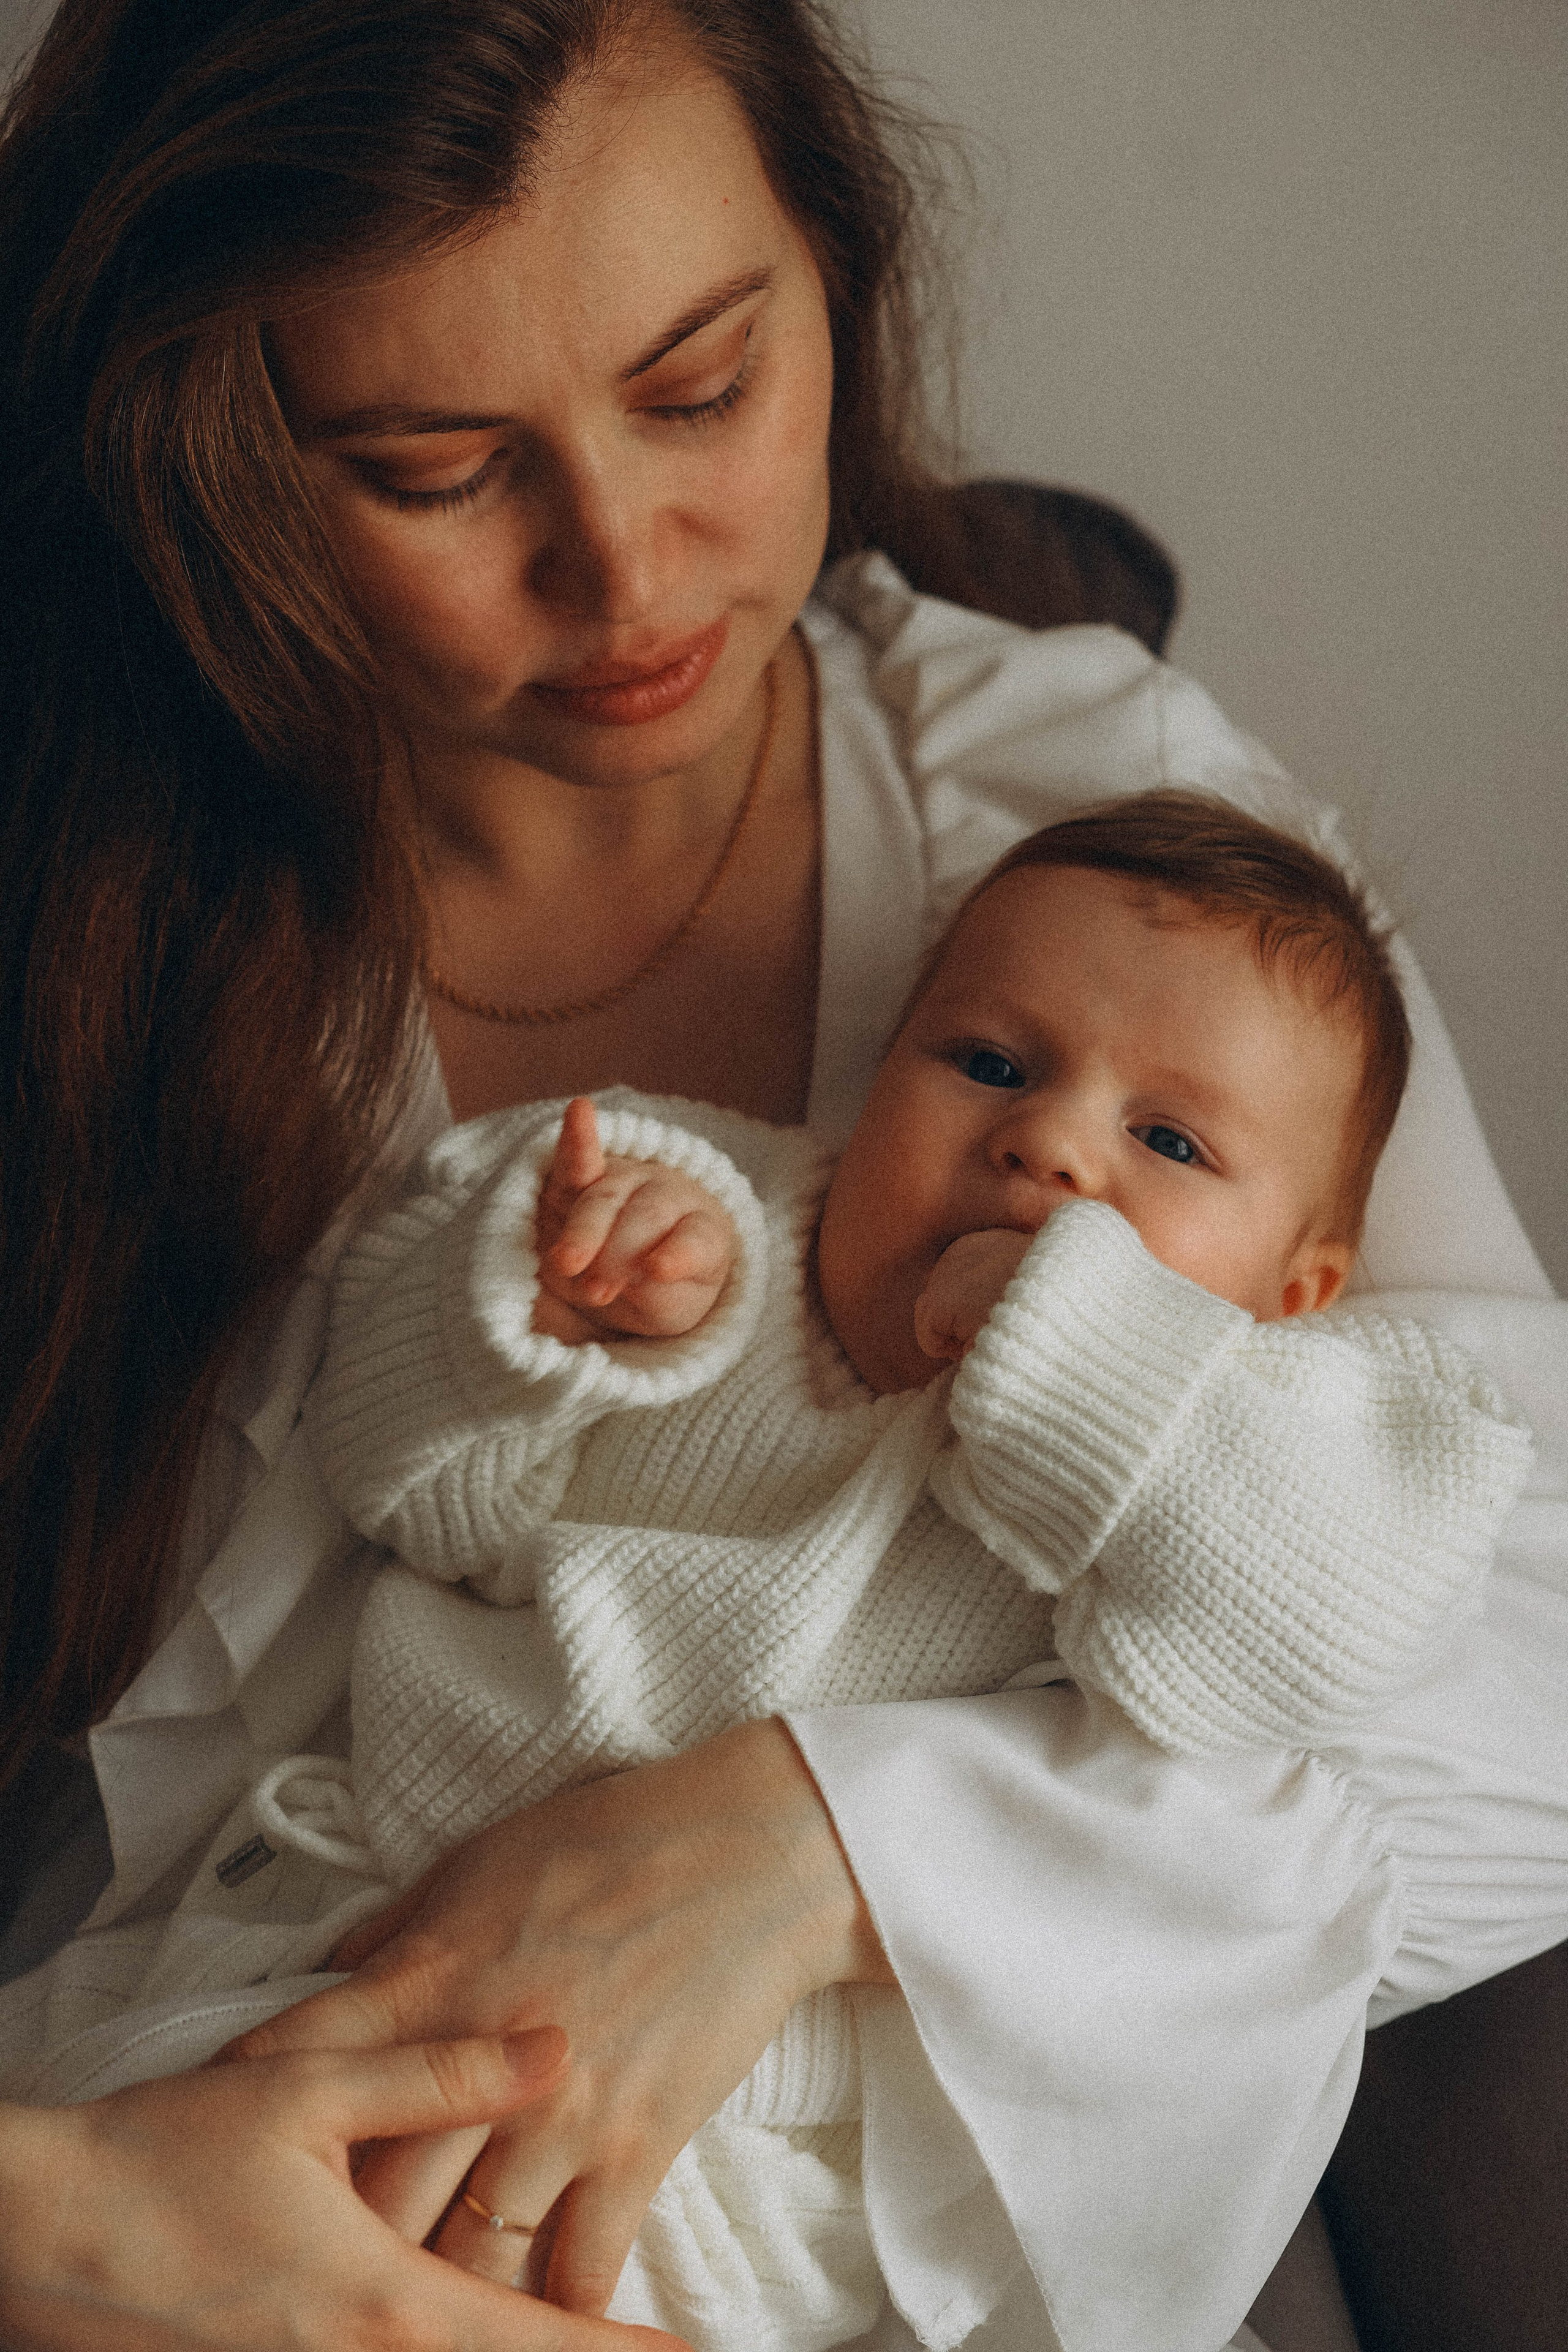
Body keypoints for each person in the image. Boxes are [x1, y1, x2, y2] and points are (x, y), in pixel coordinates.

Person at [0, 2, 1563, 2350]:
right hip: (207, 2098)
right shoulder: (83, 923)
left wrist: (807, 1840)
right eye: (437, 470)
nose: (624, 570)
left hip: (803, 2171)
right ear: (207, 457)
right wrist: (74, 2221)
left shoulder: (1090, 818)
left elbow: (1518, 1632)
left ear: (837, 281)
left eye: (703, 387)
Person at [1, 794, 1531, 2351]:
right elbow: (406, 1483)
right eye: (987, 1063)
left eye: (1170, 1142)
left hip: (727, 2144)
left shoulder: (1250, 1427)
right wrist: (543, 1323)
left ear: (1295, 1289)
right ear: (876, 1080)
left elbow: (1325, 1630)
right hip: (326, 1942)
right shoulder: (704, 1216)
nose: (1049, 1144)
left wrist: (1080, 1340)